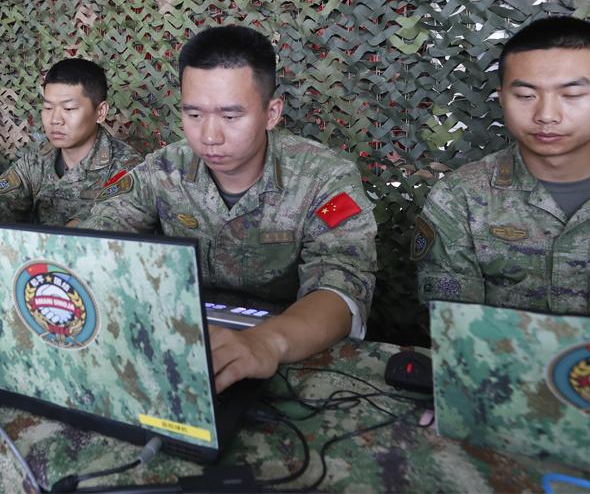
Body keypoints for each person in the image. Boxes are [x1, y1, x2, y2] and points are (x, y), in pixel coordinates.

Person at [81, 25, 377, 392]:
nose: (209, 136)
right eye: (194, 115)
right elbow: (95, 240)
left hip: (290, 348)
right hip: (181, 343)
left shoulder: (323, 177)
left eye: (231, 116)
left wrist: (266, 342)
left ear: (271, 113)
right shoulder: (164, 169)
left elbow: (342, 287)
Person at [416, 16, 590, 315]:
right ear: (501, 99)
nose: (546, 115)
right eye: (525, 96)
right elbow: (455, 324)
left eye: (572, 95)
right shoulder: (460, 198)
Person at [0, 58, 142, 226]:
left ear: (100, 112)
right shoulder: (36, 161)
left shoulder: (128, 168)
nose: (55, 119)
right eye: (48, 108)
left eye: (69, 108)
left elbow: (107, 220)